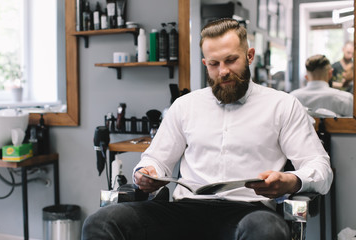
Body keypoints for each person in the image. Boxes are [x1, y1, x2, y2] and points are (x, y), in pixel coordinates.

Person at [82, 19, 333, 240]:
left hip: (249, 212)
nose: (223, 71)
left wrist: (291, 181)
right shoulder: (185, 106)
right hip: (185, 210)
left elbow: (321, 169)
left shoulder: (283, 105)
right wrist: (146, 174)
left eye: (231, 60)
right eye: (214, 64)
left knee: (266, 230)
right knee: (102, 222)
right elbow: (157, 159)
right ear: (205, 63)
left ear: (249, 55)